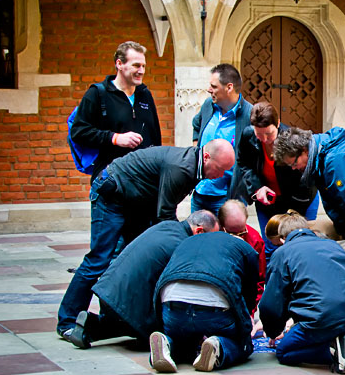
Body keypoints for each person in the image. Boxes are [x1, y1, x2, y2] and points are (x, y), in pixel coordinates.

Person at [56, 140, 235, 340]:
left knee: (133, 257)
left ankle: (110, 317)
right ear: (207, 157)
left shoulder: (193, 166)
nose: (221, 176)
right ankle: (67, 321)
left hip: (133, 199)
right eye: (220, 169)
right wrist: (184, 247)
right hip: (112, 193)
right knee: (98, 260)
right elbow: (165, 216)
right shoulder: (183, 168)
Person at [66, 210, 220, 349]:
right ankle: (100, 325)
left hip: (107, 291)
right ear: (199, 231)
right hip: (127, 302)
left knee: (123, 321)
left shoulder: (168, 226)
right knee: (169, 337)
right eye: (210, 238)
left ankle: (91, 326)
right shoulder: (183, 246)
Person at [258, 212, 345, 374]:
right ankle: (336, 339)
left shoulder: (283, 253)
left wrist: (273, 331)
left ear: (283, 239)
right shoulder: (332, 245)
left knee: (284, 352)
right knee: (323, 323)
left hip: (321, 317)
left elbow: (271, 302)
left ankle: (331, 350)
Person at [149, 225, 260, 373]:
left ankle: (167, 343)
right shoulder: (245, 249)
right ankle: (218, 346)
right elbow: (248, 293)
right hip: (213, 307)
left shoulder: (188, 241)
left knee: (182, 342)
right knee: (242, 346)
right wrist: (245, 329)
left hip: (172, 303)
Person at [237, 102, 319, 263]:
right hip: (267, 201)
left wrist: (291, 215)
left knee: (297, 243)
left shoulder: (292, 141)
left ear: (278, 123)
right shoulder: (248, 136)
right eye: (259, 134)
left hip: (300, 198)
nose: (265, 140)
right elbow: (243, 163)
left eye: (269, 134)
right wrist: (257, 188)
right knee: (271, 245)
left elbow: (305, 179)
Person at [70, 41, 161, 183]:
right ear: (119, 64)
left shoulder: (145, 94)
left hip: (143, 181)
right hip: (110, 181)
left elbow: (155, 137)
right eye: (136, 65)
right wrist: (115, 138)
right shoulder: (97, 94)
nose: (141, 71)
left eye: (143, 66)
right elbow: (78, 132)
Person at [191, 63, 253, 214]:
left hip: (227, 198)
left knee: (224, 237)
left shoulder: (249, 116)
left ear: (229, 87)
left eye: (214, 86)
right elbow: (197, 123)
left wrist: (243, 190)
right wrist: (195, 147)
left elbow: (254, 160)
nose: (209, 89)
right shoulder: (208, 105)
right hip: (199, 193)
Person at [217, 199, 266, 308]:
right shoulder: (212, 235)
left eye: (242, 232)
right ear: (222, 226)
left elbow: (259, 280)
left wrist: (250, 310)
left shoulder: (255, 240)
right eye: (232, 233)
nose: (238, 237)